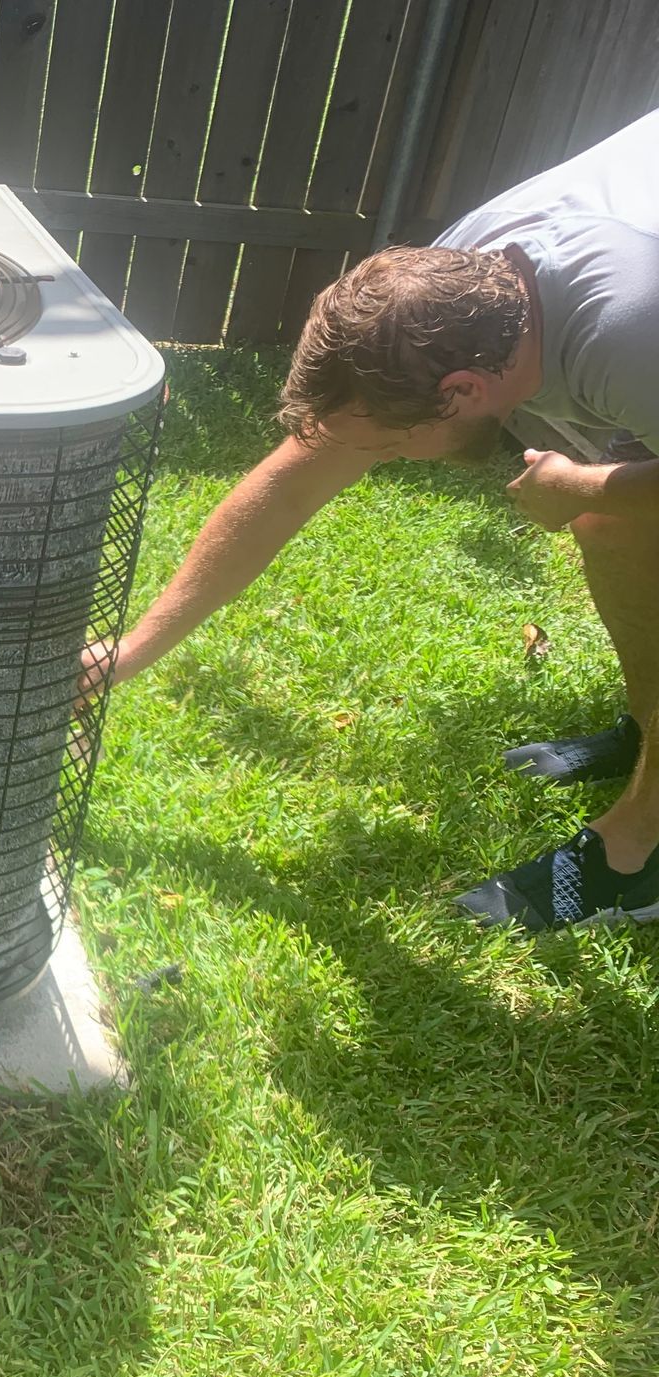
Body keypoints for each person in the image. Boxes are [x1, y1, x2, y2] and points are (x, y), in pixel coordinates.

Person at [91, 108, 659, 933]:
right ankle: (647, 730)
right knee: (614, 525)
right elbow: (291, 486)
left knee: (613, 511)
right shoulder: (455, 287)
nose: (380, 458)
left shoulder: (627, 333)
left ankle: (637, 853)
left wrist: (584, 482)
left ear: (462, 392)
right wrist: (133, 650)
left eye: (389, 444)